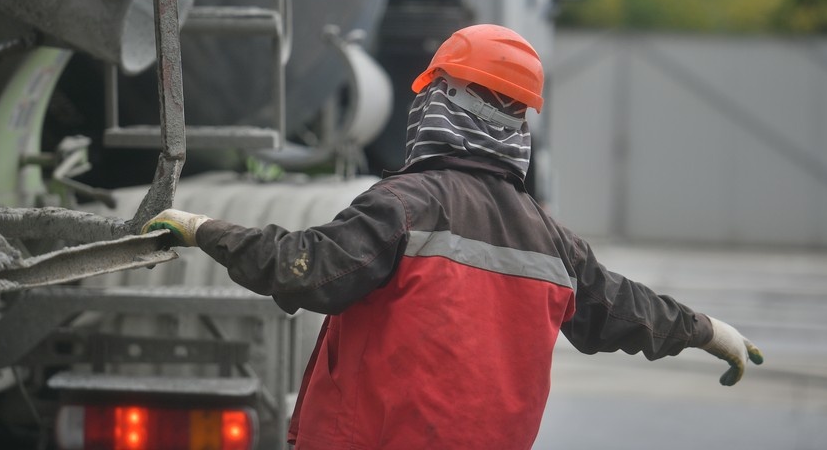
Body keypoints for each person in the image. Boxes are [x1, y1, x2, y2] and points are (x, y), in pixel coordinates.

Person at [143, 24, 763, 449]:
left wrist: (204, 230)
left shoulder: (405, 206)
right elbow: (626, 309)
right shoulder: (554, 243)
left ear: (449, 103)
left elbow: (303, 269)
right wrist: (710, 332)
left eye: (435, 90)